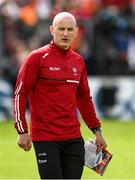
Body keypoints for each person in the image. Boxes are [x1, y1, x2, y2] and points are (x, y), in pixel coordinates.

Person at [13, 12, 107, 179]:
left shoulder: (78, 61)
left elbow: (84, 98)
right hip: (45, 137)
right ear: (52, 30)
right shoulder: (36, 58)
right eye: (61, 29)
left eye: (70, 29)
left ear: (76, 31)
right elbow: (20, 93)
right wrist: (22, 131)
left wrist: (96, 130)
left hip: (73, 138)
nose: (65, 33)